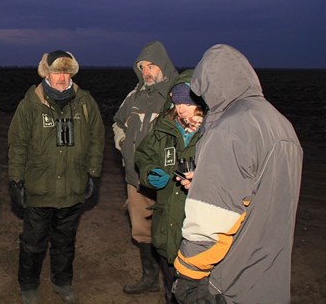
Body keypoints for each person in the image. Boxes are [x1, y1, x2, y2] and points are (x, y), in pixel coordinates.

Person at [172, 44, 303, 304]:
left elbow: (212, 219)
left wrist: (189, 273)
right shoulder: (279, 123)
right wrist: (208, 179)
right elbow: (260, 191)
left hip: (232, 278)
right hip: (269, 272)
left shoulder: (229, 129)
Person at [8, 50, 105, 304]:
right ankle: (28, 284)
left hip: (73, 187)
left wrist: (93, 174)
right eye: (56, 72)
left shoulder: (85, 102)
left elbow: (97, 140)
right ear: (46, 74)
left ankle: (62, 281)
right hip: (39, 189)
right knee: (33, 242)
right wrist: (16, 180)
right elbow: (17, 144)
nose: (61, 78)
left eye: (66, 72)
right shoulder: (30, 103)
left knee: (65, 241)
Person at [113, 41, 178, 295]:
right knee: (142, 232)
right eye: (142, 67)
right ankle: (149, 278)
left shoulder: (178, 96)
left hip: (168, 183)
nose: (147, 72)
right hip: (136, 179)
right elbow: (118, 123)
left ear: (163, 65)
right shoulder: (134, 96)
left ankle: (173, 288)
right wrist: (123, 143)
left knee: (170, 235)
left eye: (151, 65)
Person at [135, 70, 205, 304]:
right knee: (171, 286)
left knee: (197, 291)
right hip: (167, 224)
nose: (181, 108)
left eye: (187, 102)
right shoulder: (165, 127)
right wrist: (149, 173)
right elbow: (144, 154)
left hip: (198, 231)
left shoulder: (215, 133)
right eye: (177, 101)